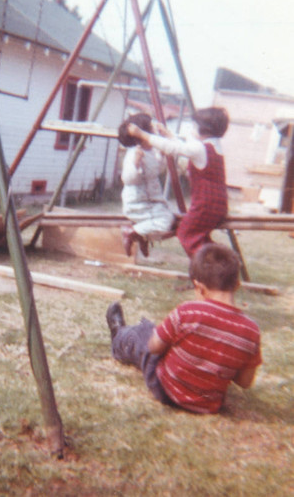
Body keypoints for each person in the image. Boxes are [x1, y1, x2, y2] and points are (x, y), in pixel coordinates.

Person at [106, 243, 261, 414]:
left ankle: (118, 337)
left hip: (166, 390)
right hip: (208, 405)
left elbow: (154, 347)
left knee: (144, 334)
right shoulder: (251, 331)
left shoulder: (189, 311)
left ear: (199, 286)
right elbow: (245, 382)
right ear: (237, 285)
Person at [127, 107, 229, 258]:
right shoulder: (214, 146)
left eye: (194, 127)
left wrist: (143, 135)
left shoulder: (200, 148)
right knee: (200, 237)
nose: (192, 130)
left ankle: (208, 269)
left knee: (185, 234)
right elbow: (183, 147)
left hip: (205, 205)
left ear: (203, 129)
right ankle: (220, 260)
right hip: (218, 204)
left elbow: (174, 148)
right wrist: (168, 135)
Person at [117, 113, 176, 257]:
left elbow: (157, 170)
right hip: (138, 203)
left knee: (171, 219)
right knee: (165, 222)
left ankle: (140, 235)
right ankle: (131, 232)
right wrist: (136, 164)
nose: (155, 132)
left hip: (151, 202)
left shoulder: (151, 151)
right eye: (151, 129)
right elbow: (127, 179)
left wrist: (162, 156)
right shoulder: (135, 153)